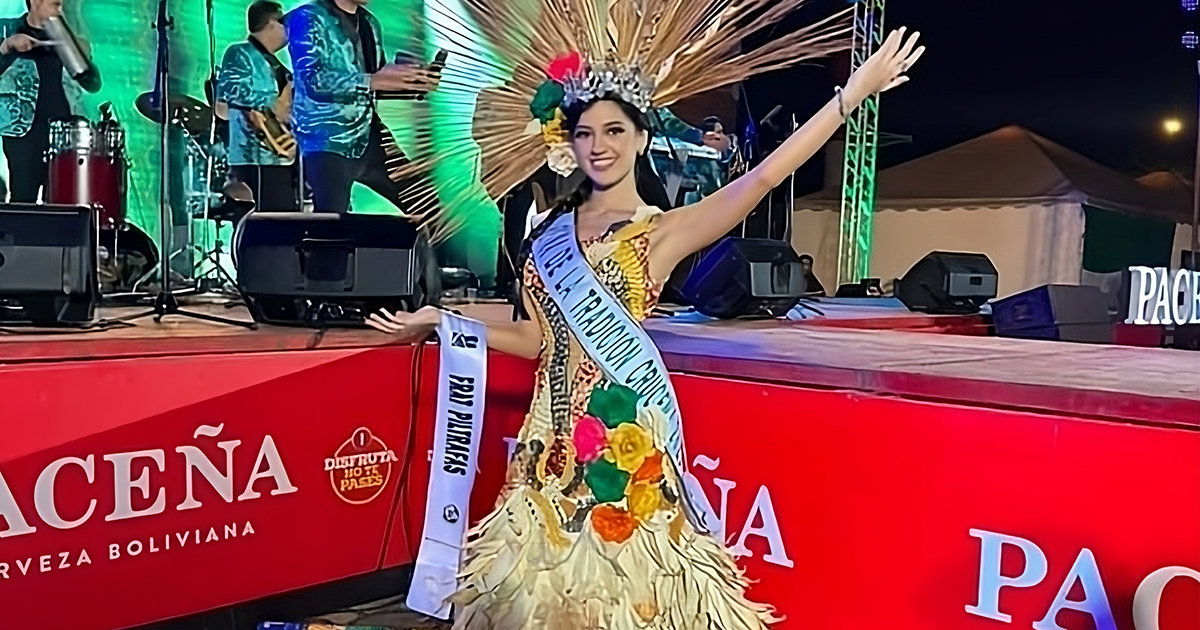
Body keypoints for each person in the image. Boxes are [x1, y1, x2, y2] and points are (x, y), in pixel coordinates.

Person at [367, 0, 923, 622]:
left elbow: (764, 177)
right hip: (544, 441)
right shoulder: (548, 234)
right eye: (584, 133)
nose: (598, 146)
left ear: (642, 137)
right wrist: (447, 323)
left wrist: (851, 96)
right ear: (565, 142)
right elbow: (535, 338)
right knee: (542, 596)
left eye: (614, 131)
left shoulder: (661, 231)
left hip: (621, 440)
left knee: (626, 597)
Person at [287, 0, 439, 214]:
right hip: (328, 139)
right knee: (330, 227)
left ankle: (423, 246)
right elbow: (314, 82)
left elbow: (374, 81)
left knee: (425, 204)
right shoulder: (307, 17)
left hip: (368, 132)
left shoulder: (369, 22)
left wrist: (412, 82)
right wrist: (375, 80)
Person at [0, 0, 101, 203]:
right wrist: (7, 47)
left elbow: (92, 84)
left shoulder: (66, 39)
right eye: (55, 3)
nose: (60, 8)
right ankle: (22, 234)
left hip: (63, 130)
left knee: (59, 198)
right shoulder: (7, 28)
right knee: (23, 196)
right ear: (36, 2)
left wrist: (84, 57)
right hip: (22, 130)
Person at [218, 0, 299, 211]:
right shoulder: (239, 53)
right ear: (272, 24)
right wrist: (273, 103)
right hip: (253, 159)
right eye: (284, 24)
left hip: (280, 157)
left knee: (285, 223)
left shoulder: (276, 64)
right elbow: (229, 91)